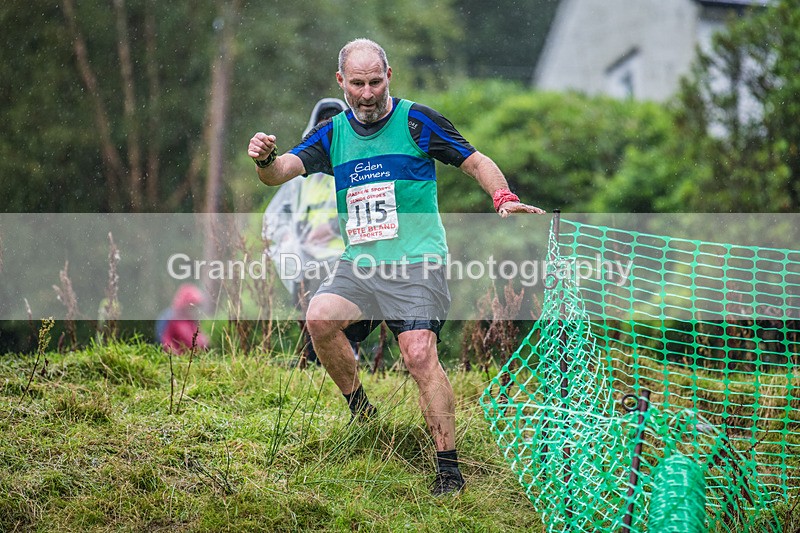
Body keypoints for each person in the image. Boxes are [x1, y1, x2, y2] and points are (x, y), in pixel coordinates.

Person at [247, 38, 545, 497]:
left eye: (375, 82)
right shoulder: (332, 132)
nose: (367, 94)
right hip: (360, 264)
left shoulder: (416, 121)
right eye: (357, 84)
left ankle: (449, 470)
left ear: (390, 76)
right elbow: (280, 171)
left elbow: (476, 161)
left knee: (419, 354)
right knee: (320, 318)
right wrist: (264, 158)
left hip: (417, 262)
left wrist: (502, 196)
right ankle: (362, 413)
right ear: (340, 82)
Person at [262, 98, 356, 365]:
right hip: (308, 257)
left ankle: (352, 357)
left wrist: (330, 228)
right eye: (323, 123)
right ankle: (313, 358)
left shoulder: (353, 168)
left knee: (341, 309)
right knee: (306, 305)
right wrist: (287, 240)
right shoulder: (304, 175)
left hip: (345, 253)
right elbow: (280, 212)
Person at [156, 283, 209, 355]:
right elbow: (166, 341)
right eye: (193, 306)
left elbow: (199, 341)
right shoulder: (174, 319)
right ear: (186, 305)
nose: (196, 310)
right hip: (177, 360)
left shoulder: (191, 320)